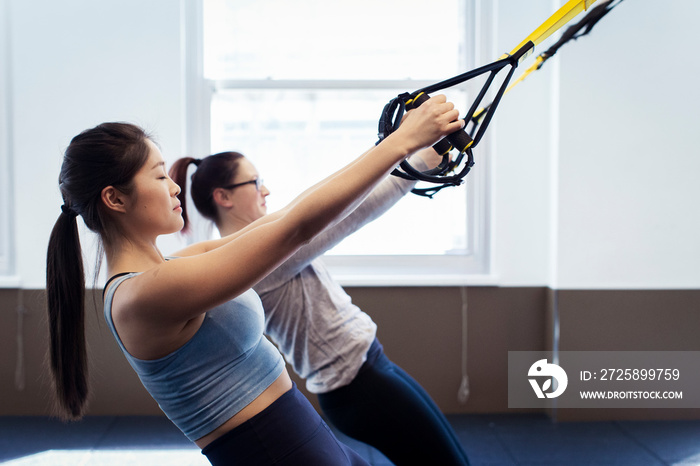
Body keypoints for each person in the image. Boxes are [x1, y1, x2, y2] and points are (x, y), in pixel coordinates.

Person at [45, 95, 463, 466]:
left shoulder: (173, 269)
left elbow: (288, 215)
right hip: (278, 450)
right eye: (158, 176)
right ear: (115, 198)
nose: (174, 187)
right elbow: (297, 228)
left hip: (307, 437)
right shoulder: (144, 294)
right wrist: (401, 142)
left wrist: (408, 157)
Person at [168, 146, 471, 464]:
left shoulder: (267, 236)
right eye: (255, 182)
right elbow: (354, 212)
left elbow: (332, 193)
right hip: (357, 385)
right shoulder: (255, 256)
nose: (266, 190)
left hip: (369, 365)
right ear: (224, 197)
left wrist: (402, 153)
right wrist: (419, 160)